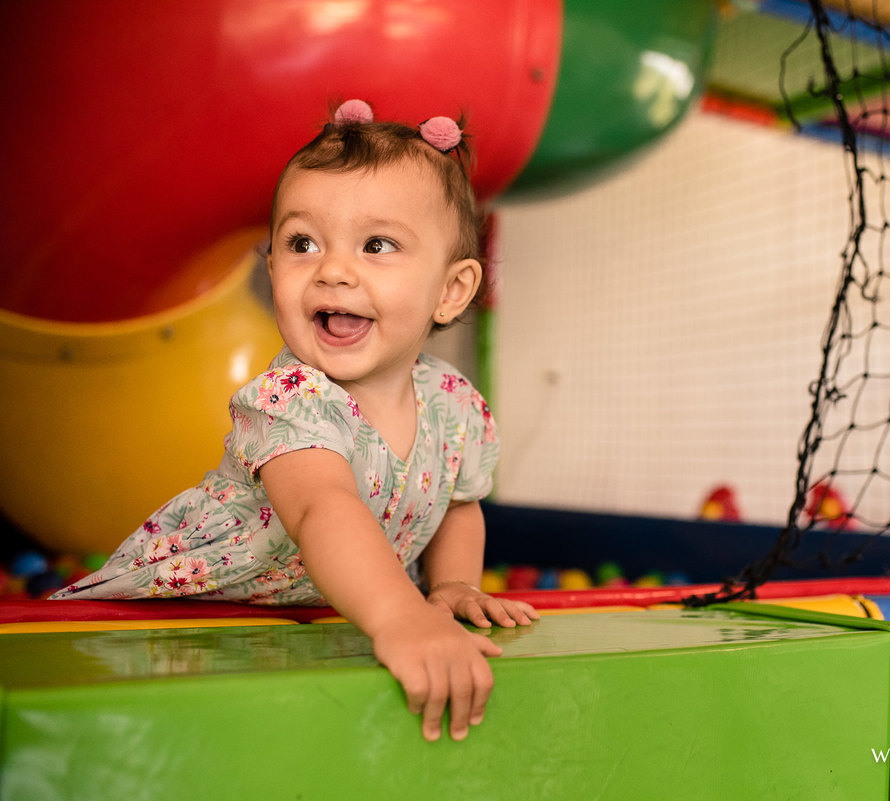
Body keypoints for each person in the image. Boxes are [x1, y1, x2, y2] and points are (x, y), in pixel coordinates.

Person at [52, 99, 537, 742]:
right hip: (194, 610)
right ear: (274, 267)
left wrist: (448, 588)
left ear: (451, 290)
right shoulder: (287, 398)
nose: (333, 270)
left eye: (377, 244)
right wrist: (399, 618)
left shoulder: (454, 405)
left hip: (310, 619)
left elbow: (457, 504)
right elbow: (321, 510)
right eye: (302, 243)